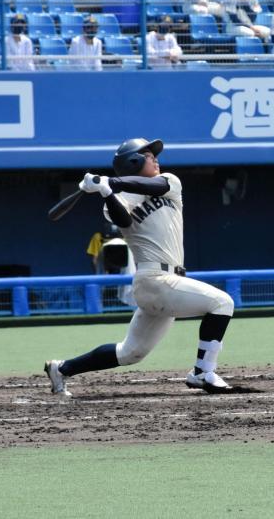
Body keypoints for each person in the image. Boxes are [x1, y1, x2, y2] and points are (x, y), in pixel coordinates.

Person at [44, 138, 237, 397]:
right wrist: (107, 192)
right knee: (222, 303)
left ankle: (61, 368)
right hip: (154, 280)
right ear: (133, 161)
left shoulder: (169, 181)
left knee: (130, 353)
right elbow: (122, 217)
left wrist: (109, 183)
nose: (155, 159)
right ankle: (203, 372)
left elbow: (155, 185)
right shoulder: (114, 201)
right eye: (148, 155)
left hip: (169, 281)